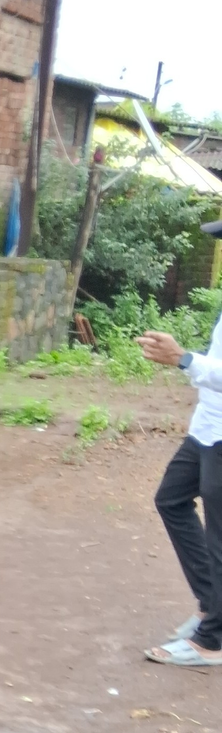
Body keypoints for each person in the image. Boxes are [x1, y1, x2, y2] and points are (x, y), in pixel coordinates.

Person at [140, 231, 222, 669]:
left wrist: (185, 359)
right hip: (208, 426)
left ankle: (212, 643)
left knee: (220, 535)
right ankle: (211, 605)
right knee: (171, 498)